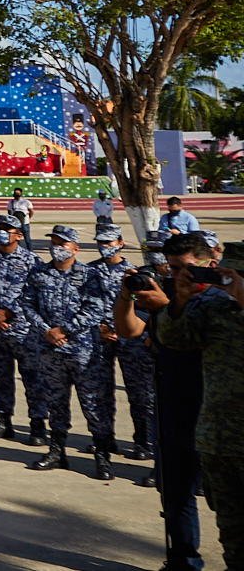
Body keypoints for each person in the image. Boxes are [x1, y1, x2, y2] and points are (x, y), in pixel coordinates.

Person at [124, 233, 223, 569]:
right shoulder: (166, 292)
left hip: (218, 412)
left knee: (227, 497)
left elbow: (202, 341)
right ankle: (183, 560)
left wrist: (167, 306)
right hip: (173, 407)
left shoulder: (226, 299)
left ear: (211, 263)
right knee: (176, 493)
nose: (181, 275)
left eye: (187, 268)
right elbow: (129, 329)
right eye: (174, 268)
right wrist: (127, 296)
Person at [155, 242, 244, 570]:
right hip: (218, 439)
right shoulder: (214, 307)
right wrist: (179, 299)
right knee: (233, 534)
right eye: (228, 275)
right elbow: (174, 338)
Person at [22, 225, 113, 476]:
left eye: (62, 244)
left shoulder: (89, 275)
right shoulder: (38, 273)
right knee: (55, 401)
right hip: (49, 349)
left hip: (82, 351)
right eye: (54, 243)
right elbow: (27, 305)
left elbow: (95, 309)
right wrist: (46, 330)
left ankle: (102, 456)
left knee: (92, 403)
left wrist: (65, 330)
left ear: (75, 249)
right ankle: (57, 451)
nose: (56, 248)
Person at [87, 225, 156, 463]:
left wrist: (120, 329)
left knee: (139, 393)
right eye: (101, 242)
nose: (105, 246)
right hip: (99, 339)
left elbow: (144, 307)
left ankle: (142, 440)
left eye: (109, 242)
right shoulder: (88, 271)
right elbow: (81, 303)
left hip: (131, 340)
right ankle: (105, 438)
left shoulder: (134, 273)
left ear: (120, 243)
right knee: (100, 392)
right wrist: (98, 327)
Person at [0, 212, 45, 448]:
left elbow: (37, 293)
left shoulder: (32, 261)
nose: (1, 232)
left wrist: (9, 312)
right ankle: (4, 419)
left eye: (6, 229)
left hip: (24, 332)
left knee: (33, 378)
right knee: (0, 377)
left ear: (18, 235)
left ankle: (38, 423)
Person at [7, 188, 35, 253]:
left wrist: (28, 218)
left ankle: (30, 252)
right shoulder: (11, 202)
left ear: (21, 194)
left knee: (27, 239)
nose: (16, 194)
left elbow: (31, 211)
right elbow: (9, 211)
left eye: (18, 193)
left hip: (25, 223)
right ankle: (16, 251)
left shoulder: (26, 202)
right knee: (15, 239)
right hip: (15, 224)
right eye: (15, 193)